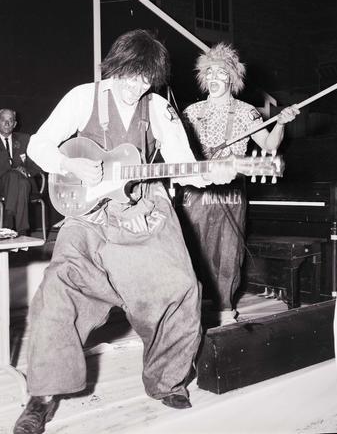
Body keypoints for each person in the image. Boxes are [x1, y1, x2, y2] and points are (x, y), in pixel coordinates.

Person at [13, 29, 236, 434]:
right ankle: (41, 397)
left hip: (144, 205)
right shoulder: (83, 97)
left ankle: (167, 380)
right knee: (57, 290)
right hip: (90, 214)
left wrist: (212, 174)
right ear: (114, 68)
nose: (137, 87)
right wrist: (68, 165)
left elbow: (183, 163)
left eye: (146, 79)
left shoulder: (160, 109)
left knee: (181, 286)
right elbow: (38, 146)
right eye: (130, 76)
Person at [176, 42, 299, 327]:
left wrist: (280, 123)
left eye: (220, 74)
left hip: (231, 192)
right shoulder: (191, 112)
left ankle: (224, 309)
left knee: (228, 251)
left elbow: (269, 145)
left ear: (231, 79)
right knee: (193, 250)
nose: (214, 79)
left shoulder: (247, 113)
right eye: (209, 74)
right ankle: (192, 310)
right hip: (195, 191)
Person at [0, 108, 41, 234]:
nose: (7, 124)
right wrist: (10, 171)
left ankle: (10, 221)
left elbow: (36, 163)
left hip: (24, 183)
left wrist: (27, 172)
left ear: (15, 124)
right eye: (3, 120)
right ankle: (21, 229)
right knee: (14, 176)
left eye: (10, 120)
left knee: (23, 183)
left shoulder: (25, 139)